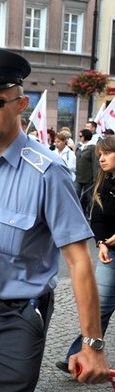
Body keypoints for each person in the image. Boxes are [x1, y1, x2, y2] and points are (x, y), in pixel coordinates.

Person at [0, 48, 109, 389]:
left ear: (21, 104)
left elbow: (78, 262)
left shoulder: (48, 172)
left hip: (20, 314)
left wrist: (92, 345)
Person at [56, 137, 115, 373]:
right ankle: (78, 357)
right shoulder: (104, 182)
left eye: (107, 153)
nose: (101, 158)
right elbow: (97, 217)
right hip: (110, 256)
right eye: (100, 154)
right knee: (99, 309)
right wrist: (101, 243)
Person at [75, 129, 100, 217]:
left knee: (88, 198)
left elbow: (95, 163)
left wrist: (95, 178)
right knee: (75, 195)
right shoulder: (79, 147)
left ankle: (89, 214)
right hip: (78, 177)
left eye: (81, 136)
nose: (79, 138)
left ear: (86, 136)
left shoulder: (92, 147)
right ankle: (76, 213)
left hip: (89, 178)